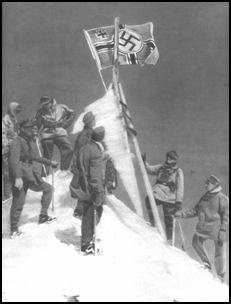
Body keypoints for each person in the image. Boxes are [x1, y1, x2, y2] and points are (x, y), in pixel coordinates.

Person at [8, 119, 59, 238]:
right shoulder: (17, 141)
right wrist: (17, 177)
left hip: (29, 175)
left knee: (49, 189)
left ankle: (43, 216)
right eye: (29, 128)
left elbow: (35, 157)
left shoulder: (29, 141)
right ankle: (13, 230)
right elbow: (13, 161)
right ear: (23, 129)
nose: (32, 130)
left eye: (32, 128)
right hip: (20, 175)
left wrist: (49, 162)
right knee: (18, 201)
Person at [175, 175, 229, 282]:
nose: (205, 185)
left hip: (216, 229)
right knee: (196, 242)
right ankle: (206, 264)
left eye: (208, 184)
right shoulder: (205, 197)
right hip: (204, 227)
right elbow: (195, 210)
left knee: (220, 251)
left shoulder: (222, 198)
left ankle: (220, 276)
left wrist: (223, 230)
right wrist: (182, 214)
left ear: (214, 185)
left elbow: (226, 216)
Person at [72, 126, 107, 255]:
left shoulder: (85, 148)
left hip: (83, 185)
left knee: (88, 212)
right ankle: (87, 244)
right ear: (102, 137)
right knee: (93, 212)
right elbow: (95, 176)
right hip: (91, 188)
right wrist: (98, 192)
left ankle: (88, 239)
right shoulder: (96, 151)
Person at [142, 150, 184, 244]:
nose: (169, 159)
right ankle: (153, 222)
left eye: (171, 158)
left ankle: (169, 239)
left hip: (170, 196)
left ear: (175, 160)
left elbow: (180, 187)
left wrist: (178, 202)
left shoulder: (178, 171)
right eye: (168, 157)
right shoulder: (161, 167)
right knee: (149, 200)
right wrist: (144, 162)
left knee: (169, 218)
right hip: (159, 191)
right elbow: (150, 169)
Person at [34, 96, 75, 175]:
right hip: (47, 134)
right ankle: (45, 175)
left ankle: (64, 170)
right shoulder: (40, 112)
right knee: (47, 155)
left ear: (50, 102)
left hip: (59, 132)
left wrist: (66, 123)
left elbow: (72, 113)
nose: (44, 106)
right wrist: (35, 134)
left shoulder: (61, 107)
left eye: (46, 104)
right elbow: (35, 124)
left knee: (69, 149)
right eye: (43, 104)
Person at [71, 111, 96, 218]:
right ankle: (79, 211)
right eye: (93, 119)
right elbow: (80, 150)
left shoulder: (87, 132)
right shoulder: (86, 134)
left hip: (84, 163)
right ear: (90, 122)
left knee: (85, 186)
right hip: (84, 165)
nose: (95, 120)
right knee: (84, 186)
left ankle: (80, 210)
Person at [2, 102, 22, 200]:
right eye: (16, 109)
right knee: (7, 173)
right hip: (7, 150)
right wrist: (6, 145)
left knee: (15, 171)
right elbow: (3, 134)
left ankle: (15, 195)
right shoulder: (6, 120)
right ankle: (7, 196)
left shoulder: (14, 119)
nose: (18, 111)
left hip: (14, 148)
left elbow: (16, 134)